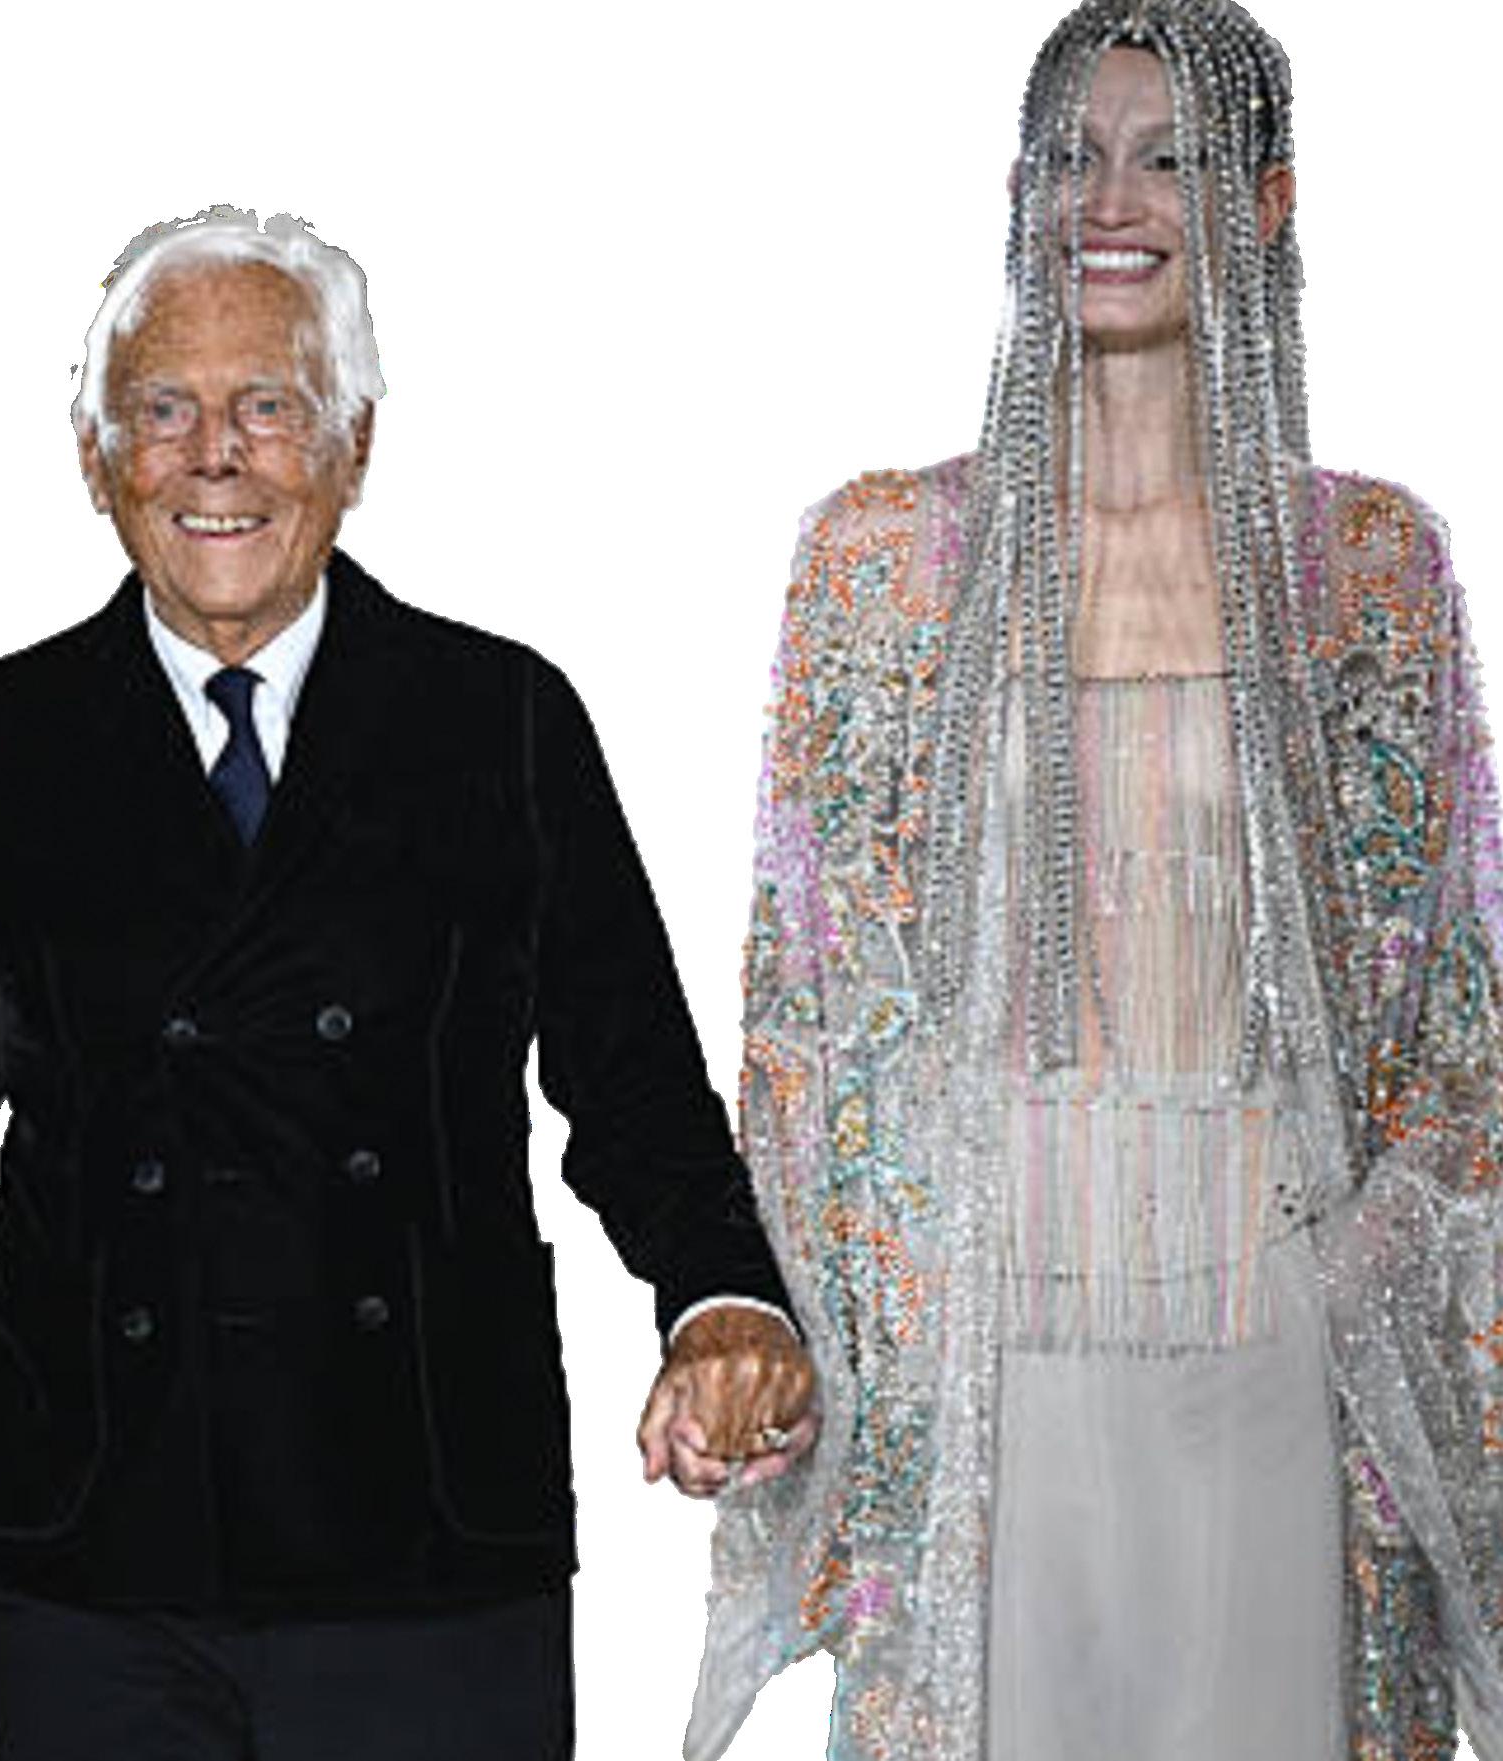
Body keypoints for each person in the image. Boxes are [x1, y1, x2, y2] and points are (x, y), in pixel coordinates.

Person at [0, 207, 814, 1761]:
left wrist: (720, 1299)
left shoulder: (497, 720)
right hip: (88, 1571)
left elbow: (632, 1090)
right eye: (163, 408)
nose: (214, 455)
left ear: (353, 446)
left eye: (269, 405)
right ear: (96, 458)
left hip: (427, 1557)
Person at [682, 5, 1503, 1760]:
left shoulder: (1365, 571)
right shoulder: (880, 565)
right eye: (1069, 156)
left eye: (1166, 157)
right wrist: (797, 1331)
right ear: (1016, 193)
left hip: (1278, 1352)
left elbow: (1454, 1013)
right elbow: (807, 1020)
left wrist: (1365, 1284)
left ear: (1265, 202)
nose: (1105, 199)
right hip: (977, 1358)